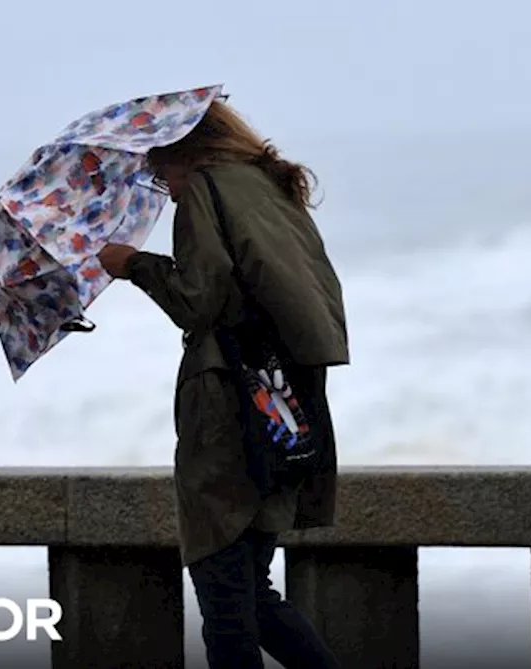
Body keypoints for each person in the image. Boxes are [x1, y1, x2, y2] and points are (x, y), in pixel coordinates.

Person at [97, 99, 349, 669]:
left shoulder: (209, 188)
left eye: (163, 170)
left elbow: (198, 299)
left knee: (226, 604)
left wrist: (133, 264)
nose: (165, 187)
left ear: (187, 151)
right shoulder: (268, 186)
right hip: (283, 408)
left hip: (230, 412)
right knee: (250, 595)